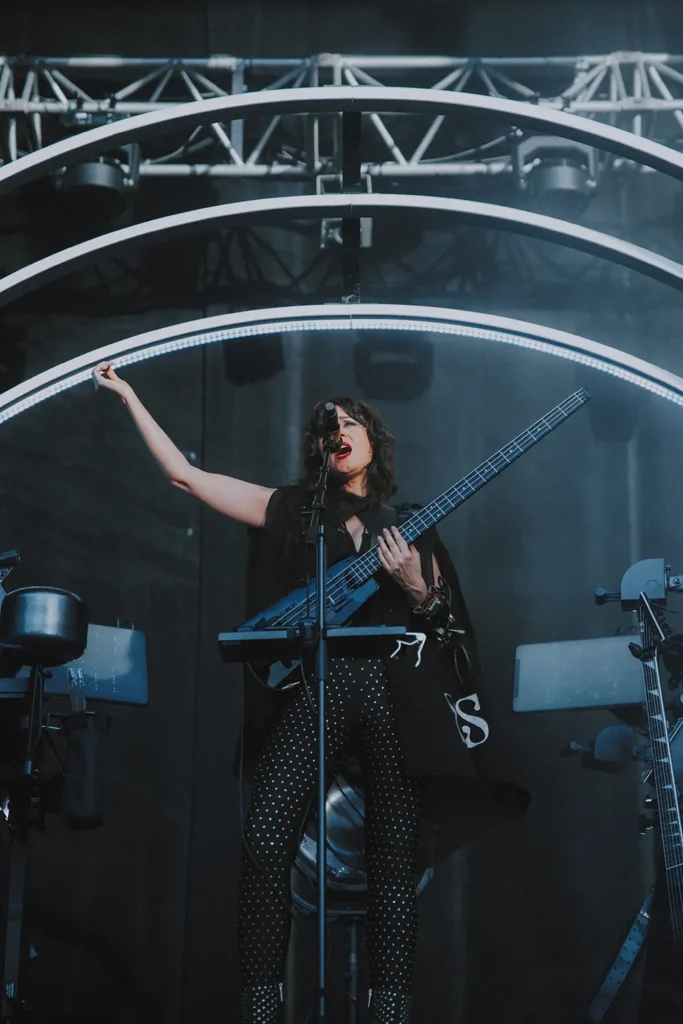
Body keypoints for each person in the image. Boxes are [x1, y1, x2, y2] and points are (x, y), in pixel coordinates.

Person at [92, 362, 529, 1024]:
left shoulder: (409, 523)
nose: (338, 430)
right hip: (315, 687)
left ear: (373, 441)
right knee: (266, 838)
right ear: (318, 449)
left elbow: (443, 620)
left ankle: (389, 1012)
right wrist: (129, 396)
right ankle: (262, 1008)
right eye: (327, 426)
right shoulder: (293, 509)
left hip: (390, 692)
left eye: (350, 422)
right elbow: (187, 477)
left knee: (393, 854)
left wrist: (413, 582)